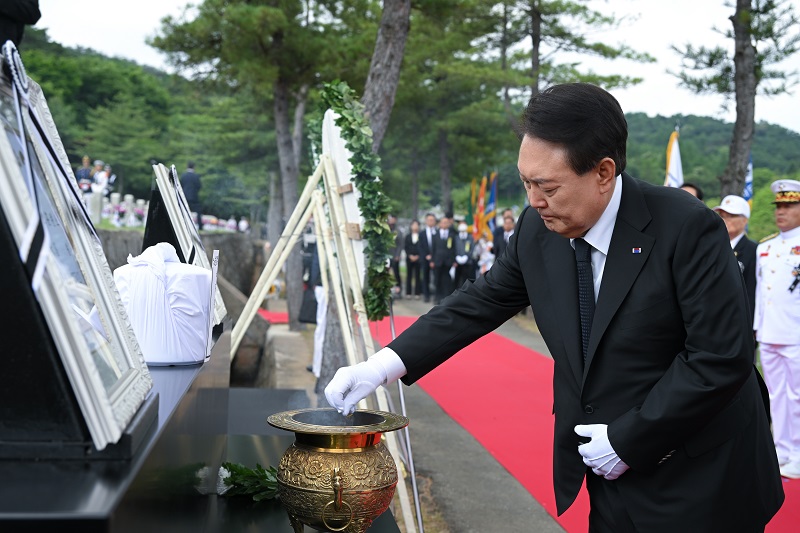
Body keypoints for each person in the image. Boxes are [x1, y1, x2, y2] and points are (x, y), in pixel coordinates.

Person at [325, 83, 783, 532]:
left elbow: (718, 357)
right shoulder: (538, 229)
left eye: (547, 186)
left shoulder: (686, 228)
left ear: (603, 173)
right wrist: (381, 366)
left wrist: (628, 441)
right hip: (606, 468)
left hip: (699, 471)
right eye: (526, 183)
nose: (534, 201)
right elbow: (479, 302)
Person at [754, 179, 800, 480]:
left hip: (795, 333)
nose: (781, 212)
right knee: (775, 395)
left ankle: (797, 453)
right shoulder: (766, 246)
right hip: (770, 332)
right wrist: (758, 327)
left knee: (796, 395)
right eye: (779, 206)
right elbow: (762, 292)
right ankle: (782, 451)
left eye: (788, 206)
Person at [713, 195, 757, 324]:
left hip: (738, 320)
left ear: (744, 220)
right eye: (722, 215)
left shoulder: (753, 250)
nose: (725, 220)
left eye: (731, 216)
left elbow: (751, 291)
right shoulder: (712, 247)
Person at [430, 214, 455, 305]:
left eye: (446, 223)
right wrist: (432, 260)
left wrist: (453, 260)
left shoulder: (452, 235)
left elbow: (453, 249)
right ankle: (437, 297)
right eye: (443, 222)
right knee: (437, 279)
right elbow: (433, 249)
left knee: (446, 280)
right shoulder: (435, 235)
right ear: (440, 224)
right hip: (437, 261)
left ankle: (446, 298)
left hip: (447, 261)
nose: (444, 224)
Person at [420, 212, 437, 302]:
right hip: (425, 258)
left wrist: (433, 257)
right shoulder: (422, 233)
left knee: (436, 278)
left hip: (435, 259)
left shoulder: (437, 232)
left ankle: (436, 295)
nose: (431, 222)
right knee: (425, 277)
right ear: (426, 221)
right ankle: (426, 295)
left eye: (432, 220)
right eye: (429, 220)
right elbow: (421, 246)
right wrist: (426, 256)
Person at [404, 219, 423, 299]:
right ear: (411, 226)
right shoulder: (408, 236)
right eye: (413, 225)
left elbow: (422, 247)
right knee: (409, 275)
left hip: (418, 258)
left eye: (416, 225)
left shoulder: (421, 236)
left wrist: (418, 256)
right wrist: (410, 255)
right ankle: (408, 293)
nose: (415, 227)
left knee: (417, 275)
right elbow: (406, 247)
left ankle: (417, 293)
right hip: (409, 258)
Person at [181, 161, 203, 230]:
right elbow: (199, 186)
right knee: (198, 211)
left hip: (184, 196)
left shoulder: (183, 176)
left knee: (183, 211)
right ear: (194, 167)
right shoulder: (196, 176)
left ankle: (183, 226)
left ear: (187, 166)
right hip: (194, 197)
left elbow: (180, 186)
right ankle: (200, 226)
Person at [454, 221, 475, 289]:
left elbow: (472, 248)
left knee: (467, 280)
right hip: (457, 262)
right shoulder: (456, 237)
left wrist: (467, 256)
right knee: (457, 280)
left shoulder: (470, 237)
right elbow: (454, 248)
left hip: (468, 262)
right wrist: (456, 257)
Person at [388, 215, 403, 297]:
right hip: (386, 256)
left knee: (396, 273)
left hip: (395, 256)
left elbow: (400, 245)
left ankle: (399, 290)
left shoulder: (398, 231)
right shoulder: (385, 230)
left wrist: (398, 255)